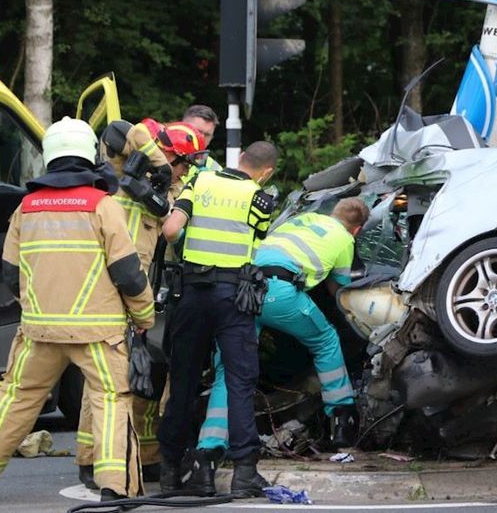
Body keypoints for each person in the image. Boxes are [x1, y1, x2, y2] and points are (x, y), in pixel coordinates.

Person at [0, 117, 155, 501]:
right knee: (112, 401)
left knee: (17, 395)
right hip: (98, 334)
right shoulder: (102, 206)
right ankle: (116, 485)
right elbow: (128, 273)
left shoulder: (26, 207)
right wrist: (144, 316)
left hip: (39, 331)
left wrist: (33, 307)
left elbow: (10, 271)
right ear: (89, 155)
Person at [75, 120, 207, 490]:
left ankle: (146, 456)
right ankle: (91, 461)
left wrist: (166, 183)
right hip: (108, 291)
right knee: (106, 383)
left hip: (141, 290)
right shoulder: (125, 169)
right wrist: (158, 165)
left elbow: (172, 218)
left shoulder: (172, 187)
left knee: (145, 379)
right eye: (181, 164)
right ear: (170, 156)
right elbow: (123, 128)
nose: (183, 172)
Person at [194, 198, 369, 475]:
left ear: (330, 211)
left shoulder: (301, 219)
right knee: (326, 341)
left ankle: (209, 450)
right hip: (282, 293)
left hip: (244, 291)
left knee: (229, 370)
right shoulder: (345, 239)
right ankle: (341, 421)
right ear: (357, 230)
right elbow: (340, 292)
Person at [156, 141, 279, 497]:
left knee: (183, 381)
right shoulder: (261, 199)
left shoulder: (201, 181)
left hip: (192, 293)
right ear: (266, 170)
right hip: (233, 298)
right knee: (240, 381)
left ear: (238, 160)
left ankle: (169, 470)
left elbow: (170, 231)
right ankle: (244, 473)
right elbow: (255, 244)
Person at [181, 104, 223, 174]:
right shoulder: (160, 154)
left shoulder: (215, 170)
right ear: (181, 128)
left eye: (207, 135)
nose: (201, 138)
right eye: (197, 132)